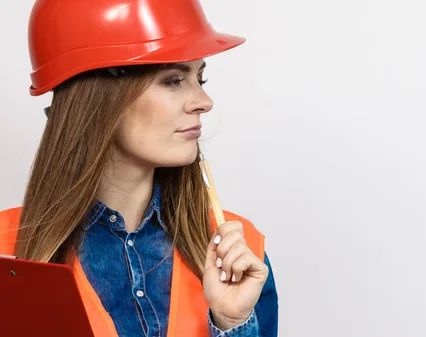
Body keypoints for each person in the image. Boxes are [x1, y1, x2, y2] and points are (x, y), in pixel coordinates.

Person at [0, 0, 278, 336]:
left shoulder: (239, 254)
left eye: (200, 78)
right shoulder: (6, 251)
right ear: (99, 98)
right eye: (173, 80)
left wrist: (232, 325)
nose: (204, 102)